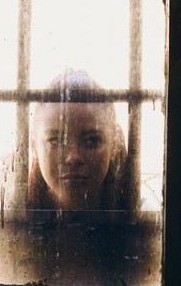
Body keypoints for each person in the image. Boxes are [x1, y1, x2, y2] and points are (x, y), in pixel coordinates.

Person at [28, 69, 130, 211]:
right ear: (34, 146)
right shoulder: (8, 214)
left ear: (114, 145)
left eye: (92, 141)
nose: (73, 157)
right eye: (55, 141)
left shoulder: (144, 216)